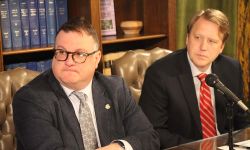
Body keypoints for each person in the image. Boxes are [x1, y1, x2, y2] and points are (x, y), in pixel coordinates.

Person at [13, 17, 159, 150]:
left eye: (79, 54)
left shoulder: (115, 88)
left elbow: (149, 138)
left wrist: (119, 147)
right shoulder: (31, 99)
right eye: (61, 52)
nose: (69, 61)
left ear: (96, 59)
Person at [139, 8, 249, 149]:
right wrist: (200, 147)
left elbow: (242, 120)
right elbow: (153, 132)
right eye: (197, 37)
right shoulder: (160, 74)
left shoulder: (231, 68)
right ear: (187, 38)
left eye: (212, 41)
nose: (203, 47)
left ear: (221, 47)